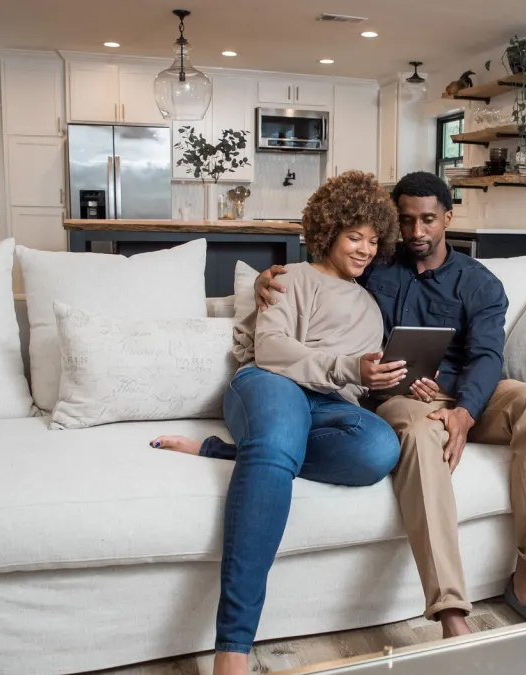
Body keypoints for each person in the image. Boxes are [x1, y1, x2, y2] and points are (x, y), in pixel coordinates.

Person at [255, 171, 526, 638]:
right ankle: (451, 612)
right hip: (402, 396)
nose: (417, 232)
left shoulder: (479, 283)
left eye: (428, 220)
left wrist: (465, 410)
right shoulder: (377, 267)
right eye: (406, 221)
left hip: (470, 393)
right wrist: (266, 277)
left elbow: (487, 356)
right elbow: (326, 270)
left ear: (448, 217)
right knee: (420, 433)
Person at [151, 171, 405, 675]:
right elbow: (271, 351)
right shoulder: (290, 279)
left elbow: (356, 386)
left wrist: (384, 380)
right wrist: (348, 367)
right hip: (270, 386)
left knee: (379, 450)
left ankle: (229, 452)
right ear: (328, 232)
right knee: (281, 427)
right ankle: (233, 649)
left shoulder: (372, 307)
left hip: (332, 405)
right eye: (354, 237)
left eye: (374, 241)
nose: (364, 250)